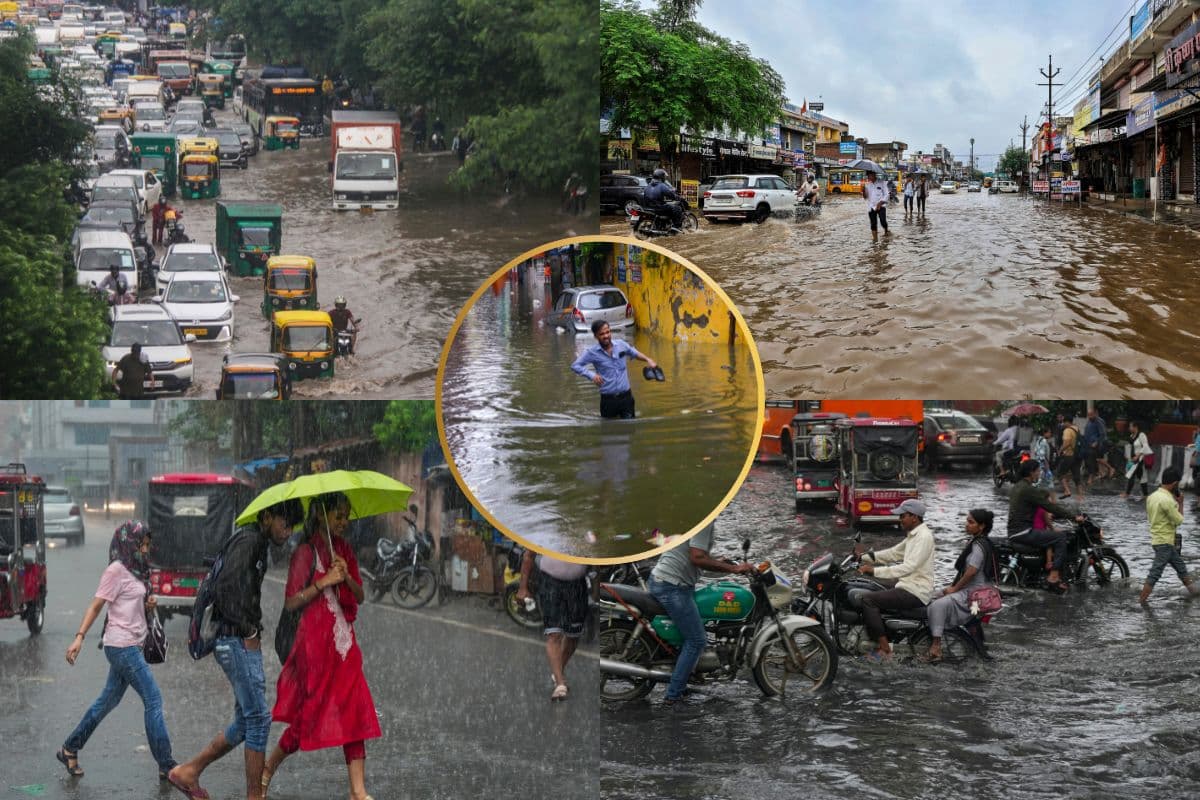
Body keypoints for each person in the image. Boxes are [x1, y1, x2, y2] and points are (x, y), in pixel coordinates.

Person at [167, 499, 303, 800]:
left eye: (292, 526)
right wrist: (248, 630)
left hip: (234, 640)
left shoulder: (254, 541)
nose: (287, 531)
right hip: (236, 641)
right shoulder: (250, 540)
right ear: (267, 516)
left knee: (246, 721)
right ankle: (255, 796)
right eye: (284, 523)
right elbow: (226, 587)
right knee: (259, 720)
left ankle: (188, 772)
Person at [263, 492, 381, 800]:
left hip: (344, 646)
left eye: (346, 515)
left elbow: (360, 596)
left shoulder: (343, 549)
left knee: (355, 712)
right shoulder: (305, 553)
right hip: (314, 649)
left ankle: (358, 791)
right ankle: (267, 769)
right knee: (308, 716)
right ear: (321, 516)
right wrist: (325, 580)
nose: (343, 521)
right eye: (338, 515)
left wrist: (346, 577)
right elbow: (291, 602)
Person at [60, 521, 177, 786]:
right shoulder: (116, 570)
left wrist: (148, 605)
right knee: (154, 699)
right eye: (141, 544)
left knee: (106, 702)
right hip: (120, 646)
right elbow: (96, 605)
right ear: (128, 543)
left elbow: (134, 607)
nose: (145, 550)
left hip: (132, 644)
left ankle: (69, 748)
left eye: (147, 544)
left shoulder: (138, 571)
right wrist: (79, 638)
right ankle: (167, 765)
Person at [647, 523, 755, 704]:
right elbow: (697, 557)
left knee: (691, 632)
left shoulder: (701, 516)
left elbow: (697, 552)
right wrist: (734, 569)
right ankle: (673, 696)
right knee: (697, 640)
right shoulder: (705, 522)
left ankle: (682, 680)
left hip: (670, 581)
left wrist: (720, 562)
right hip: (672, 586)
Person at [854, 499, 935, 662]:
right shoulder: (914, 535)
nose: (900, 520)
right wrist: (864, 557)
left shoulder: (923, 537)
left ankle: (884, 648)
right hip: (908, 586)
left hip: (915, 590)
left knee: (868, 600)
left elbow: (908, 567)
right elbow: (893, 553)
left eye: (902, 516)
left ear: (914, 517)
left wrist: (874, 571)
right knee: (872, 589)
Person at [924, 509, 998, 662]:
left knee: (937, 605)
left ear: (982, 526)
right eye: (967, 521)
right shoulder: (982, 542)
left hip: (974, 595)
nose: (967, 524)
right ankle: (978, 645)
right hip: (978, 594)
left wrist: (954, 589)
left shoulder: (978, 546)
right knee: (933, 595)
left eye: (971, 522)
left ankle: (936, 646)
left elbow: (971, 572)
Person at [516, 550, 588, 701]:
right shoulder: (548, 531)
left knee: (573, 636)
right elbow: (529, 556)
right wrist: (523, 588)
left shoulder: (585, 531)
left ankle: (558, 672)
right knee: (554, 634)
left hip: (578, 586)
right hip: (550, 584)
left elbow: (597, 561)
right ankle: (560, 683)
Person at [1007, 460, 1084, 593]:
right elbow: (1050, 506)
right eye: (1038, 471)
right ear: (1032, 472)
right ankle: (1054, 576)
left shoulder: (1018, 486)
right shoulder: (1028, 489)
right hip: (1023, 531)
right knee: (1060, 537)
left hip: (1015, 530)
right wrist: (1073, 516)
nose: (1039, 473)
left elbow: (1042, 506)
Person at [570, 320, 657, 419]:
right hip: (608, 400)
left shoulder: (621, 345)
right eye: (602, 334)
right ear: (595, 336)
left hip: (626, 398)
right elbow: (575, 365)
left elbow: (634, 353)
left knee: (630, 427)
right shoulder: (592, 352)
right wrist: (591, 375)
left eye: (607, 332)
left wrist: (648, 359)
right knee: (609, 430)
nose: (606, 336)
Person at [1139, 468, 1199, 603]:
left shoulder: (1152, 497)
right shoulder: (1167, 500)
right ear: (1174, 483)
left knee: (1181, 568)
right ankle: (1141, 602)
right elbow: (1179, 520)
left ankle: (1195, 595)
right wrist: (1181, 503)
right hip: (1164, 542)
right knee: (1155, 573)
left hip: (1157, 540)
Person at [1122, 421, 1154, 500]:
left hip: (1140, 459)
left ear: (1135, 427)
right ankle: (1145, 495)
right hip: (1133, 460)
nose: (1129, 428)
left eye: (1130, 427)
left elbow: (1145, 446)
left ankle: (1128, 493)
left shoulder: (1141, 435)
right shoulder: (1131, 436)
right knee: (1140, 477)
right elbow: (1131, 447)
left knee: (1135, 476)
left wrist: (1138, 455)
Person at [1083, 408, 1114, 483]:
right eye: (1088, 415)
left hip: (1098, 445)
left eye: (1091, 414)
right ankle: (1102, 473)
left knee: (1097, 459)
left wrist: (1096, 442)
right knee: (1097, 459)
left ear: (1096, 413)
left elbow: (1103, 433)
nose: (1089, 416)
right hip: (1090, 444)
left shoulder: (1098, 421)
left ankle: (1110, 468)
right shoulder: (1090, 421)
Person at [1057, 416, 1082, 499]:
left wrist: (1060, 450)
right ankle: (1080, 496)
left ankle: (1067, 491)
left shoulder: (1067, 430)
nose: (1063, 424)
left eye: (1064, 422)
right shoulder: (1076, 428)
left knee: (1060, 473)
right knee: (1076, 476)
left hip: (1068, 455)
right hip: (1077, 455)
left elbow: (1067, 443)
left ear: (1067, 422)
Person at [862, 169, 889, 237]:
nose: (868, 177)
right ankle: (875, 240)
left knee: (883, 221)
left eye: (869, 176)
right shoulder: (867, 185)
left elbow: (887, 194)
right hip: (871, 206)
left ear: (874, 175)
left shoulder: (882, 182)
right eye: (867, 176)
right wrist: (863, 191)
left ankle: (886, 230)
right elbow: (865, 197)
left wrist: (880, 203)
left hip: (881, 205)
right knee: (873, 224)